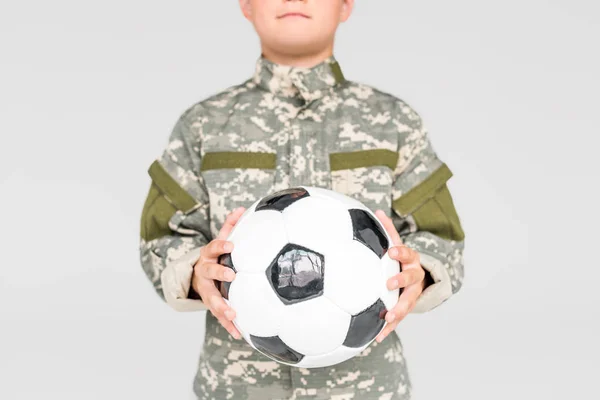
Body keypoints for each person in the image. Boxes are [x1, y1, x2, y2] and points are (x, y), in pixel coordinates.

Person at [139, 1, 465, 399]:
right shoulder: (203, 125)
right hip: (237, 386)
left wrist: (420, 273)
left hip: (367, 388)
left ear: (345, 6)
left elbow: (441, 237)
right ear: (246, 5)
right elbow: (162, 236)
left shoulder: (394, 122)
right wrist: (194, 273)